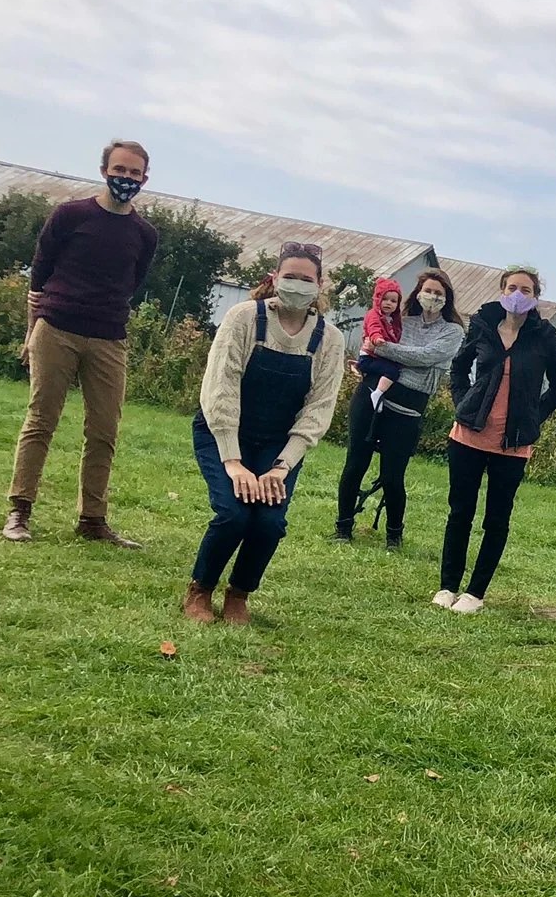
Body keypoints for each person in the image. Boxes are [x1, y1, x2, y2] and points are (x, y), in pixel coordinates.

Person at [3, 139, 160, 547]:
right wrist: (31, 330)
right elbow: (38, 279)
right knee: (41, 421)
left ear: (145, 178)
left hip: (109, 338)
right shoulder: (70, 215)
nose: (126, 178)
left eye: (134, 173)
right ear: (104, 169)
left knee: (104, 432)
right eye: (119, 169)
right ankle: (19, 510)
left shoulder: (145, 234)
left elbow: (133, 282)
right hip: (56, 328)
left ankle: (93, 520)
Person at [182, 243, 345, 625]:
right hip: (222, 432)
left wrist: (281, 467)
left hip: (278, 443)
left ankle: (239, 595)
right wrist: (234, 463)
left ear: (320, 286)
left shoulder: (329, 339)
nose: (297, 285)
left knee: (269, 521)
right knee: (233, 514)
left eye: (307, 280)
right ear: (274, 278)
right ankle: (200, 590)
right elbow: (220, 387)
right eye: (290, 276)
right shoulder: (244, 318)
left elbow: (318, 408)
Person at [435, 266, 556, 614]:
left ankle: (475, 593)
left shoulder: (545, 337)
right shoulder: (482, 325)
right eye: (512, 287)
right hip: (468, 436)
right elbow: (458, 368)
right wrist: (464, 403)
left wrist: (531, 419)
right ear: (501, 290)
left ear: (535, 297)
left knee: (496, 518)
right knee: (460, 512)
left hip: (512, 444)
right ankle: (447, 586)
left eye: (526, 290)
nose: (518, 295)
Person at [334, 269, 462, 548]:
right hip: (370, 394)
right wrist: (387, 353)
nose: (432, 296)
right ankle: (343, 527)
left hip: (408, 406)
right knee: (355, 464)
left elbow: (427, 356)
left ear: (447, 298)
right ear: (417, 294)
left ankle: (394, 534)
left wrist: (384, 351)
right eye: (428, 291)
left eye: (439, 293)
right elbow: (373, 340)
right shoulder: (401, 321)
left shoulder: (452, 331)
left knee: (393, 474)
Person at [355, 277, 407, 411]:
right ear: (378, 299)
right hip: (369, 357)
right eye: (385, 299)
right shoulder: (374, 315)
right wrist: (377, 338)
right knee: (392, 371)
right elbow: (373, 327)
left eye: (393, 301)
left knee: (396, 366)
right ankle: (378, 393)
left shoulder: (393, 319)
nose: (388, 303)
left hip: (378, 356)